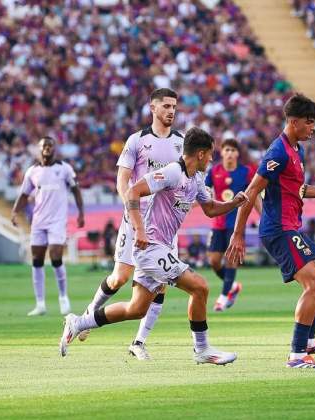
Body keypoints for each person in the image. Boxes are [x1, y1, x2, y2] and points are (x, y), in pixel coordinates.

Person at [60, 127, 247, 364]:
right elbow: (133, 192)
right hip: (150, 248)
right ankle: (202, 349)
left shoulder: (196, 178)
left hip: (162, 248)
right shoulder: (171, 172)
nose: (212, 159)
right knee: (200, 287)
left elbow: (210, 208)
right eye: (210, 154)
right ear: (200, 154)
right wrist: (139, 228)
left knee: (136, 309)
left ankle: (78, 322)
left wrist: (235, 203)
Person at [226, 94, 315, 368]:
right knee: (314, 284)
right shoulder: (277, 153)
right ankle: (297, 355)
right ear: (294, 121)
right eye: (310, 123)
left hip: (292, 227)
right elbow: (251, 192)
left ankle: (309, 341)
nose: (313, 128)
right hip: (278, 230)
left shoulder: (297, 150)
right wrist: (238, 234)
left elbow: (298, 189)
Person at [78, 88, 184, 360]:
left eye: (174, 106)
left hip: (164, 226)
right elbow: (122, 180)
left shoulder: (182, 143)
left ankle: (139, 341)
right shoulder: (137, 141)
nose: (171, 111)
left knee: (160, 284)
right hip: (134, 219)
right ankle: (89, 315)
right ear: (153, 108)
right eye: (166, 106)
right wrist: (131, 209)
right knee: (120, 278)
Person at [11, 136, 84, 316]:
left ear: (54, 149)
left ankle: (63, 298)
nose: (47, 148)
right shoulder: (32, 171)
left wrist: (81, 212)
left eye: (50, 145)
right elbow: (23, 194)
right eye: (43, 145)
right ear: (39, 149)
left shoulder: (64, 169)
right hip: (38, 221)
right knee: (36, 260)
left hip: (57, 221)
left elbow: (76, 190)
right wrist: (14, 212)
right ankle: (40, 304)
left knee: (56, 255)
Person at [204, 138, 259, 312]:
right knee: (213, 261)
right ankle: (233, 286)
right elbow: (205, 192)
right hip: (218, 222)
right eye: (226, 150)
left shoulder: (246, 172)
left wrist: (263, 215)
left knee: (231, 259)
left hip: (237, 223)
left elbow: (255, 193)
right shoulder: (214, 171)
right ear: (221, 152)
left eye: (233, 150)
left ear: (237, 154)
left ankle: (223, 297)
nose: (229, 153)